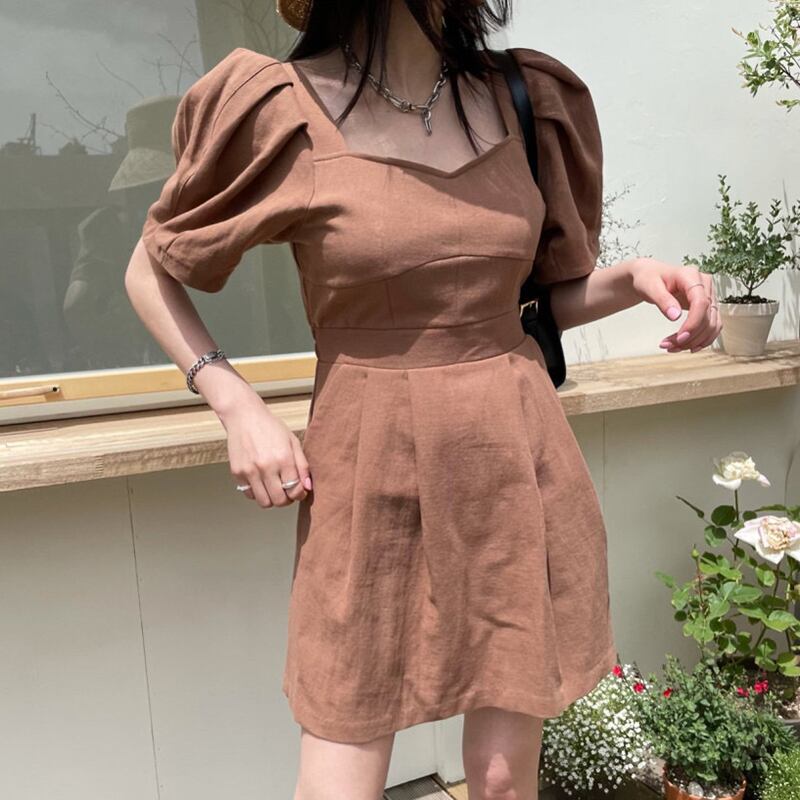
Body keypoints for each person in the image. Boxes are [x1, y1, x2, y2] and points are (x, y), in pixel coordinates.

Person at [124, 2, 722, 798]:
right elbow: (151, 271)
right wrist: (236, 402)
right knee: (340, 772)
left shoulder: (522, 97)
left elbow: (528, 302)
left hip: (514, 459)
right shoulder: (284, 107)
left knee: (503, 779)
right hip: (367, 467)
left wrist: (637, 279)